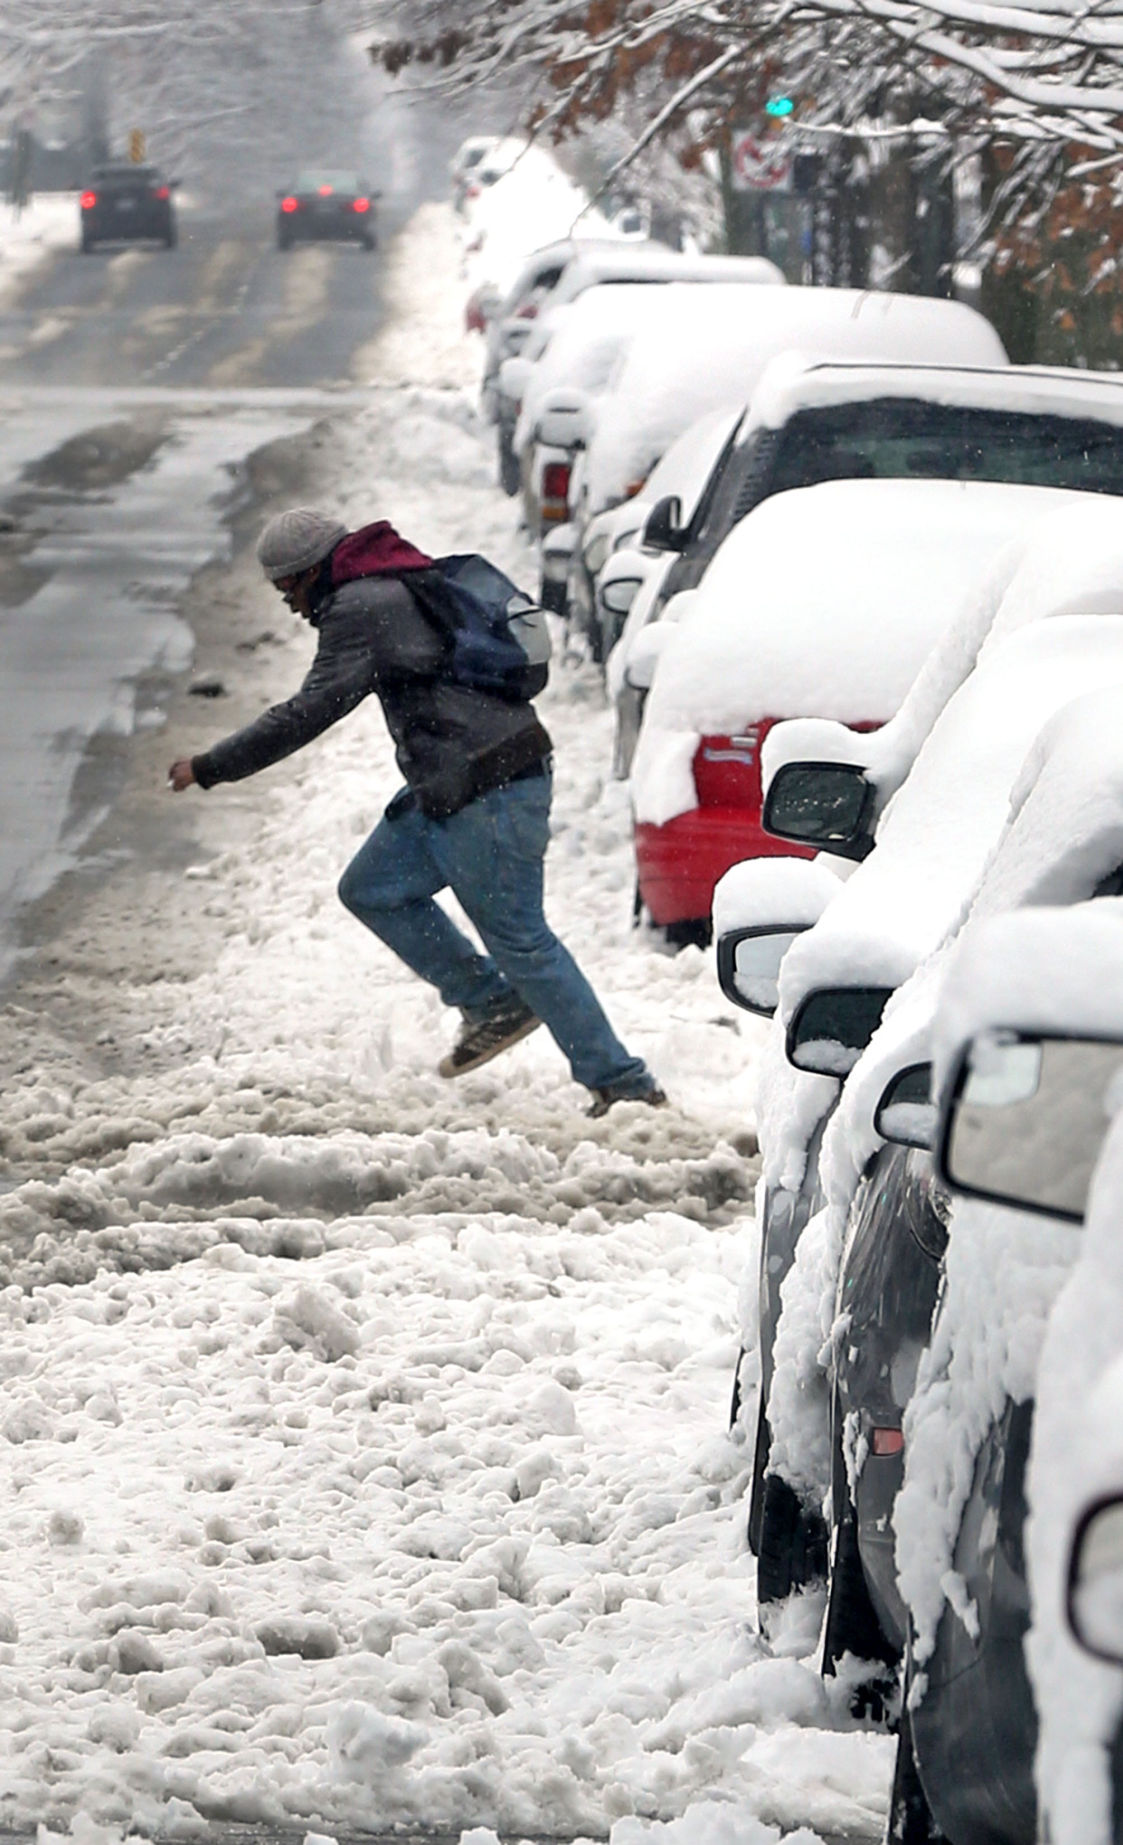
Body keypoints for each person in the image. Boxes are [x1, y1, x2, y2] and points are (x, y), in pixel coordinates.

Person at [168, 508, 666, 1118]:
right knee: (373, 889)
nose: (292, 606)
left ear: (312, 571)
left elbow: (310, 710)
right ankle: (491, 1002)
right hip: (451, 788)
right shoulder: (390, 580)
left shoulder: (362, 605)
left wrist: (212, 765)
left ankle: (623, 1084)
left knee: (521, 941)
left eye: (288, 588)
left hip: (489, 787)